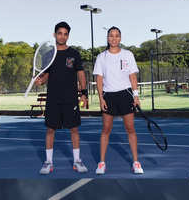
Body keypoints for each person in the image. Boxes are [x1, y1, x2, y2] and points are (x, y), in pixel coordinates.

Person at [34, 21, 88, 175]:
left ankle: (77, 161)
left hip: (71, 99)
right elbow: (44, 77)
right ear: (54, 34)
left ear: (68, 36)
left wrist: (84, 92)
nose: (62, 36)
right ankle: (48, 162)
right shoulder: (48, 55)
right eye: (59, 33)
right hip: (53, 99)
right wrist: (39, 81)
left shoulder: (74, 54)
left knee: (74, 129)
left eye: (65, 34)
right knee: (50, 129)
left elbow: (81, 74)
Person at [92, 26, 143, 174]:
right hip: (109, 95)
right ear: (107, 38)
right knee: (106, 130)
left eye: (117, 36)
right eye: (111, 36)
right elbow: (99, 79)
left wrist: (136, 95)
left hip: (126, 94)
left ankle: (136, 162)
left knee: (130, 129)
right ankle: (101, 163)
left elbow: (132, 76)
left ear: (120, 38)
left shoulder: (128, 54)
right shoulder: (102, 57)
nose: (114, 38)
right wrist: (101, 98)